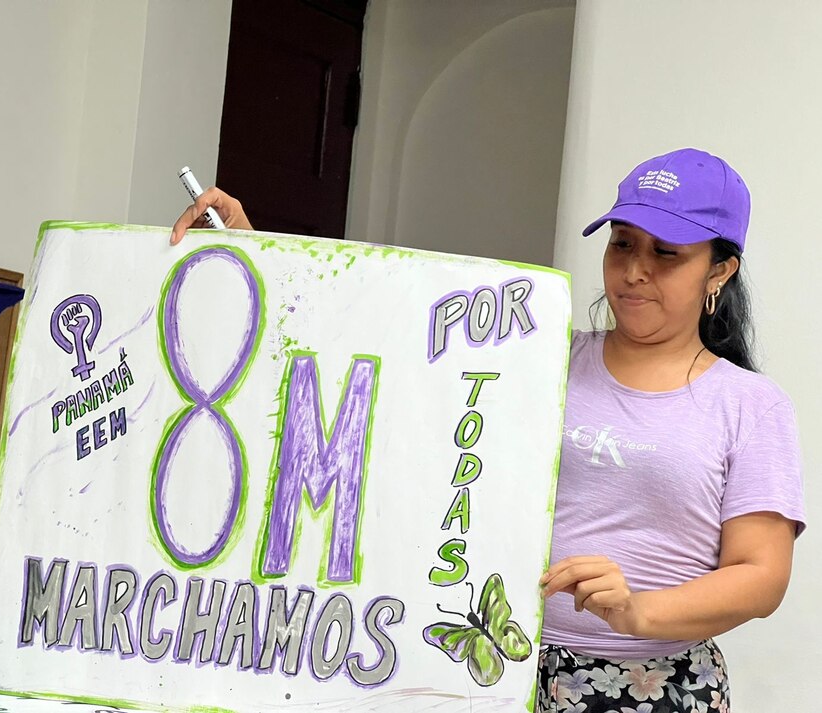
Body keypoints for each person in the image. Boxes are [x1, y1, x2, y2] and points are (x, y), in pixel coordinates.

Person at [170, 148, 805, 712]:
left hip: (656, 687)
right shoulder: (533, 353)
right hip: (484, 671)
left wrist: (637, 609)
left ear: (720, 271)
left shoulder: (749, 405)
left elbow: (760, 574)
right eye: (622, 243)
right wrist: (258, 254)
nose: (635, 270)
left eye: (666, 254)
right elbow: (369, 363)